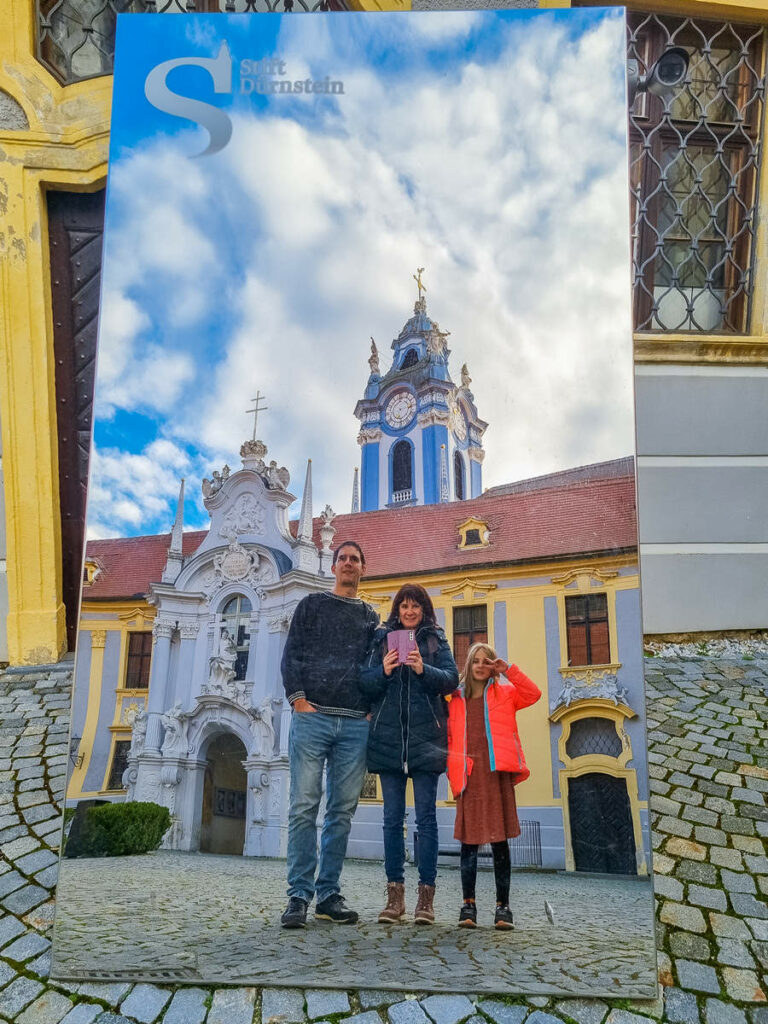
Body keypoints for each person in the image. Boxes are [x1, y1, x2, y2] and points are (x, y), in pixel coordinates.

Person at [280, 541, 379, 929]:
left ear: (363, 568)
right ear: (334, 566)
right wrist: (298, 699)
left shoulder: (372, 617)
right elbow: (292, 654)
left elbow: (375, 668)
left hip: (355, 723)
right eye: (344, 559)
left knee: (341, 812)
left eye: (356, 559)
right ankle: (298, 895)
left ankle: (328, 894)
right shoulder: (311, 605)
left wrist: (372, 710)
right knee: (303, 807)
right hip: (313, 716)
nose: (349, 564)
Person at [360, 584, 459, 925]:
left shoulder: (435, 640)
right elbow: (364, 682)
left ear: (424, 609)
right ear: (397, 609)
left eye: (416, 605)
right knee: (391, 820)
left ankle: (426, 899)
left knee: (427, 819)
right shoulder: (382, 639)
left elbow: (451, 679)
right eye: (404, 605)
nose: (409, 610)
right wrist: (384, 670)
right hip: (388, 739)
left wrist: (422, 669)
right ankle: (395, 895)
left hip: (426, 738)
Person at [446, 643, 541, 930]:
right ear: (468, 665)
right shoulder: (455, 698)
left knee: (500, 842)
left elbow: (533, 694)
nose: (480, 666)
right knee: (469, 843)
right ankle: (468, 905)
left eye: (486, 662)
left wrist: (508, 669)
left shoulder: (506, 693)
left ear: (491, 667)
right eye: (475, 661)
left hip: (496, 773)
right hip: (469, 775)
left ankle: (503, 907)